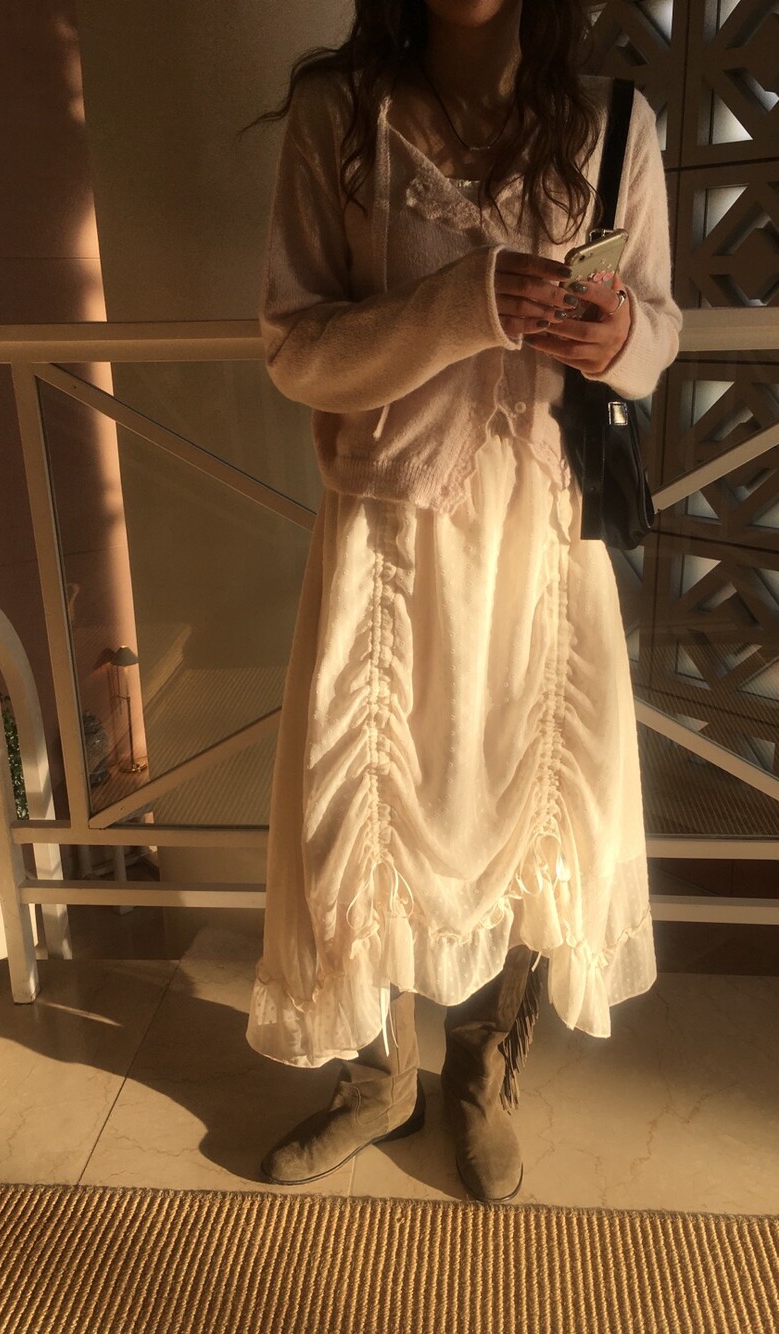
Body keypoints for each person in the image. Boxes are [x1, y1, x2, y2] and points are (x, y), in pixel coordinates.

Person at [243, 0, 681, 1204]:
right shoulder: (341, 114)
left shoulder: (613, 124)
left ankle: (481, 1068)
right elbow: (295, 348)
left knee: (530, 806)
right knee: (368, 807)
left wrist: (617, 336)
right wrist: (461, 304)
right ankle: (378, 1076)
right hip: (388, 540)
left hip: (543, 535)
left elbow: (659, 330)